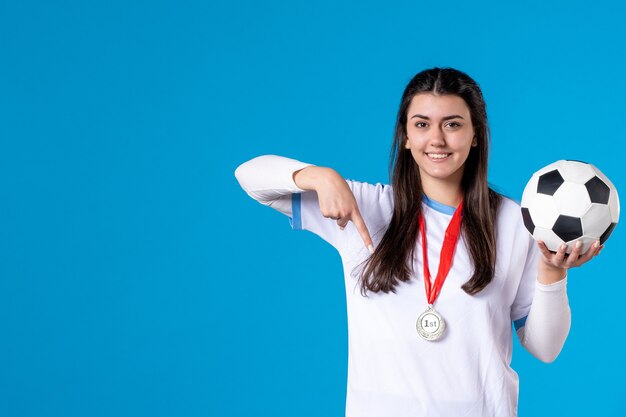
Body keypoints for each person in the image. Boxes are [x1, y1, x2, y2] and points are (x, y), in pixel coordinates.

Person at [233, 67, 603, 417]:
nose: (437, 139)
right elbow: (250, 176)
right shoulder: (363, 206)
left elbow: (545, 348)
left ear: (476, 135)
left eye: (453, 125)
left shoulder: (518, 221)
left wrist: (552, 272)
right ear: (405, 137)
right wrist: (318, 176)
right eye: (422, 124)